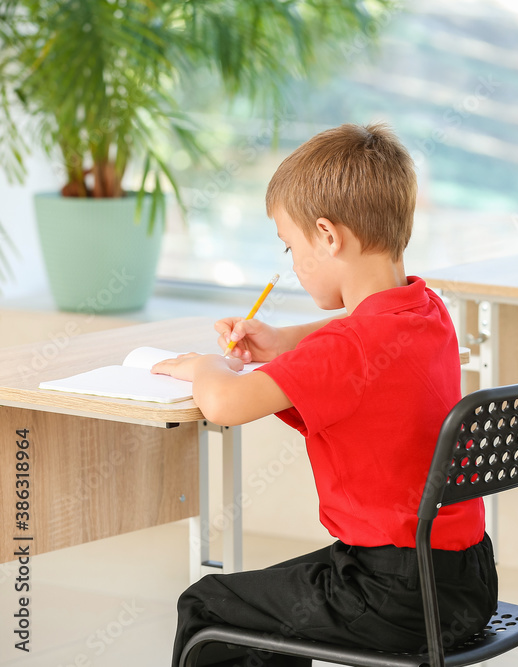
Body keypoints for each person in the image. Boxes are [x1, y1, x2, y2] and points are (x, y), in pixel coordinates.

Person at [154, 122, 498, 667]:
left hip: (391, 595)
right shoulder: (426, 311)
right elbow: (360, 334)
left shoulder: (349, 348)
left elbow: (224, 404)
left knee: (210, 605)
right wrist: (281, 341)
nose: (292, 264)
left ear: (328, 236)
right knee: (272, 604)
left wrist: (206, 365)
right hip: (465, 583)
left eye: (291, 247)